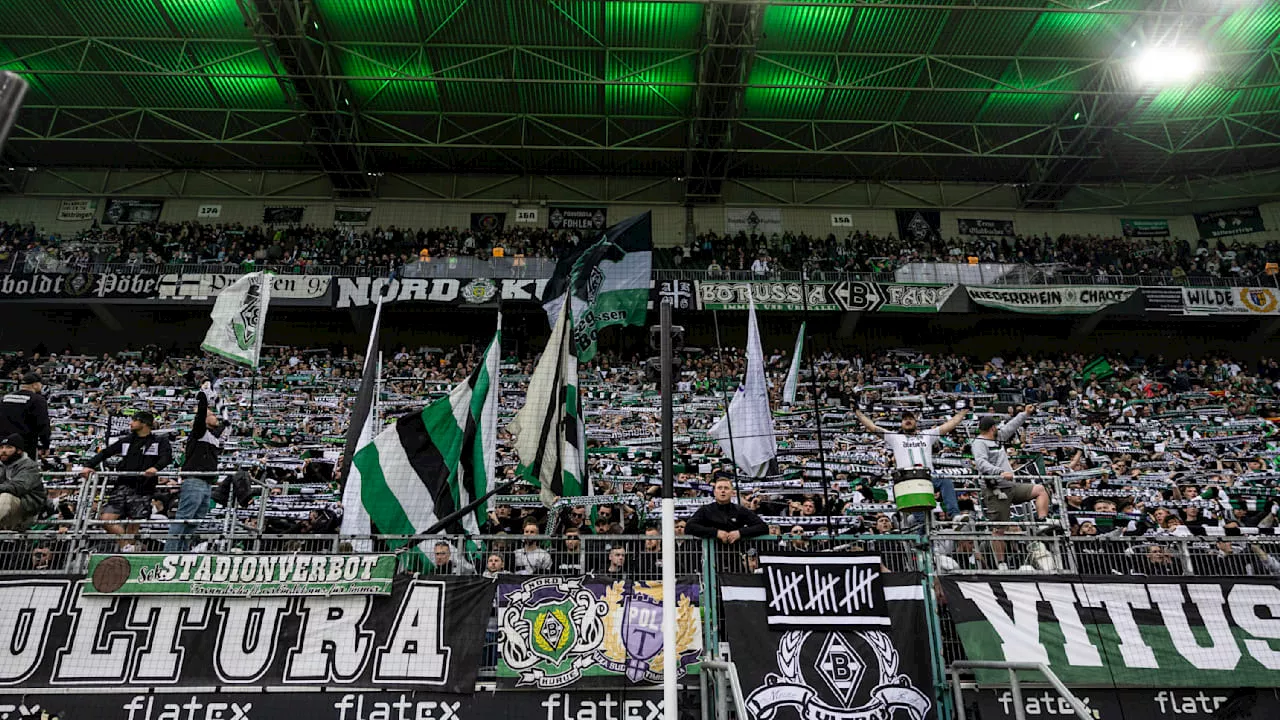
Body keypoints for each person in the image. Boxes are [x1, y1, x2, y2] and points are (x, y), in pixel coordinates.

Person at [854, 404, 969, 521]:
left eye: (910, 418)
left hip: (928, 478)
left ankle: (955, 516)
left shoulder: (927, 435)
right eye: (905, 419)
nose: (908, 421)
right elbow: (873, 427)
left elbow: (948, 426)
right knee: (922, 521)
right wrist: (858, 413)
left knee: (946, 482)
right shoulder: (894, 437)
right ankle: (921, 530)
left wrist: (964, 411)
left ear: (916, 421)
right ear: (901, 423)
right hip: (907, 481)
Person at [81, 411, 173, 543]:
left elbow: (167, 458)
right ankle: (126, 546)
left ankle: (128, 552)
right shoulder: (127, 440)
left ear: (144, 423)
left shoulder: (159, 441)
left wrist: (155, 468)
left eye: (134, 420)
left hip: (144, 487)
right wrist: (88, 465)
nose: (131, 423)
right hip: (122, 485)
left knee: (133, 525)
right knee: (106, 519)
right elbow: (106, 452)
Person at [166, 391, 227, 551]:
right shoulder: (199, 432)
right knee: (184, 518)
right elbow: (200, 416)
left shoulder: (214, 436)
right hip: (194, 480)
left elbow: (228, 422)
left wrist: (218, 396)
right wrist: (204, 400)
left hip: (207, 483)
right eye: (212, 414)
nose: (216, 417)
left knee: (195, 521)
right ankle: (169, 552)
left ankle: (182, 551)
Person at [686, 475, 768, 546]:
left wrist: (740, 533)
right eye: (719, 488)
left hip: (735, 555)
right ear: (714, 492)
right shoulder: (705, 510)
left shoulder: (740, 510)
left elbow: (763, 527)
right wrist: (716, 533)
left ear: (732, 492)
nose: (723, 491)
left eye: (726, 488)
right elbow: (689, 527)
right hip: (711, 556)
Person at [0, 373, 50, 460]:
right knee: (25, 470)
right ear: (35, 385)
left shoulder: (5, 398)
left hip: (3, 445)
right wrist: (45, 445)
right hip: (25, 445)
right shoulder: (37, 400)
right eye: (40, 384)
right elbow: (43, 424)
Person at [0, 434, 45, 530]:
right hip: (5, 512)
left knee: (5, 496)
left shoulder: (29, 466)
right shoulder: (1, 466)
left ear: (19, 450)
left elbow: (19, 487)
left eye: (9, 447)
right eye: (1, 447)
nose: (3, 451)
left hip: (26, 510)